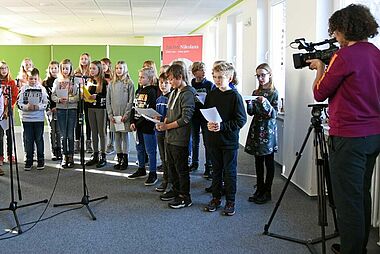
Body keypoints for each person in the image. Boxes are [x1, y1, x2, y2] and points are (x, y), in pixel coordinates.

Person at [307, 4, 380, 254]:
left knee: (347, 200)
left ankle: (352, 251)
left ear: (344, 29)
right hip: (373, 135)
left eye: (336, 32)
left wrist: (320, 67)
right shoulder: (375, 53)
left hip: (349, 137)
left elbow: (319, 92)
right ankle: (356, 246)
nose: (335, 37)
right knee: (361, 193)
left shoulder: (344, 56)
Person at [203, 62, 246, 216]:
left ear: (230, 77)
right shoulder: (212, 94)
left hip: (229, 141)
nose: (217, 80)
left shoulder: (235, 96)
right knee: (216, 171)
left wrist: (223, 126)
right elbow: (206, 113)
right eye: (215, 77)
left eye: (220, 77)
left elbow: (241, 120)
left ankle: (230, 200)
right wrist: (208, 125)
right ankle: (215, 198)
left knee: (229, 172)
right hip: (213, 140)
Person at [156, 63, 195, 209]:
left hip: (180, 138)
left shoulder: (188, 93)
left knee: (181, 169)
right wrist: (163, 124)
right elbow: (169, 113)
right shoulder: (174, 92)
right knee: (171, 166)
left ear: (180, 77)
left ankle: (185, 197)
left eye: (172, 79)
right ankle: (175, 190)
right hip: (169, 137)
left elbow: (185, 118)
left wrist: (167, 126)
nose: (169, 82)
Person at [244, 63, 278, 204]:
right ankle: (259, 188)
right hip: (257, 129)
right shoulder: (255, 92)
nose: (260, 78)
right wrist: (249, 104)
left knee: (268, 162)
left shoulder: (273, 92)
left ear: (269, 74)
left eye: (263, 75)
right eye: (258, 75)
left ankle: (267, 191)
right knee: (258, 161)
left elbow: (273, 114)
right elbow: (251, 113)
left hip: (268, 131)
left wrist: (264, 103)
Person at [128, 67, 158, 186]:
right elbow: (133, 107)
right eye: (139, 76)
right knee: (139, 148)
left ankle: (153, 173)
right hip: (137, 126)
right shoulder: (138, 91)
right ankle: (141, 169)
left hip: (147, 126)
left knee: (150, 151)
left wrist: (137, 123)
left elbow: (149, 111)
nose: (139, 79)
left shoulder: (152, 92)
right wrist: (132, 121)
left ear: (150, 79)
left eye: (142, 77)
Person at [17, 68, 48, 171]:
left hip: (38, 119)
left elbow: (46, 103)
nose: (33, 81)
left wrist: (38, 107)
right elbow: (19, 104)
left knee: (39, 139)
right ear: (27, 78)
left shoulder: (42, 89)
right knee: (28, 140)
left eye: (35, 79)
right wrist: (27, 107)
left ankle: (40, 160)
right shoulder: (23, 89)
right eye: (31, 79)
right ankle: (29, 160)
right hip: (27, 119)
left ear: (38, 78)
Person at [106, 60, 134, 170]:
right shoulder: (111, 84)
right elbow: (108, 100)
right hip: (114, 116)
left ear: (125, 69)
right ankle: (119, 157)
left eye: (121, 68)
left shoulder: (129, 83)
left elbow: (131, 100)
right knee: (116, 137)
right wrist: (110, 114)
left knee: (124, 137)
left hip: (124, 116)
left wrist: (126, 114)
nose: (118, 70)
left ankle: (125, 159)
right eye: (117, 68)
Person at [52, 59, 79, 168]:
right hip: (61, 109)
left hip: (72, 109)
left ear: (70, 68)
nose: (65, 70)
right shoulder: (57, 81)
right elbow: (53, 96)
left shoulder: (75, 80)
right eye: (63, 68)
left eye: (67, 68)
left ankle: (71, 156)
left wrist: (70, 99)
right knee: (63, 135)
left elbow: (78, 96)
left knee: (70, 135)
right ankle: (64, 156)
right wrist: (59, 100)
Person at [189, 61, 213, 178]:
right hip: (194, 115)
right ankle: (194, 163)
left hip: (205, 115)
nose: (203, 72)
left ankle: (209, 165)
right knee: (194, 141)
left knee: (207, 142)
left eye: (204, 70)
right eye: (200, 70)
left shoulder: (209, 84)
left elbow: (213, 99)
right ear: (194, 72)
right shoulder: (191, 84)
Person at [85, 60, 108, 168]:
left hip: (101, 109)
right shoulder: (89, 80)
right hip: (90, 108)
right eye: (90, 68)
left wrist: (96, 97)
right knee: (93, 131)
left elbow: (106, 97)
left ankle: (103, 155)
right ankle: (95, 154)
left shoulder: (104, 82)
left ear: (99, 69)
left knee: (101, 132)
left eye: (94, 68)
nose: (91, 70)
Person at [154, 72, 171, 192]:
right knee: (162, 156)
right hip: (158, 131)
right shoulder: (159, 98)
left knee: (168, 158)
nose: (163, 85)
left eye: (166, 83)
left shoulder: (172, 98)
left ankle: (169, 181)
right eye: (161, 83)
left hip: (168, 132)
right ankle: (165, 180)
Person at [42, 60, 62, 161]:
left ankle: (60, 150)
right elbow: (44, 97)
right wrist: (49, 108)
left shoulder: (60, 81)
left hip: (58, 108)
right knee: (52, 130)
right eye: (52, 68)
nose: (54, 70)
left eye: (56, 68)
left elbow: (61, 95)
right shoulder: (45, 83)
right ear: (49, 69)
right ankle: (54, 151)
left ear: (59, 69)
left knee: (58, 130)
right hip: (49, 109)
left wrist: (57, 106)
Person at [0, 61, 18, 167]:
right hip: (0, 112)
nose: (4, 70)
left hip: (9, 112)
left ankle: (10, 154)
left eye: (6, 68)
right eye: (2, 68)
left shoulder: (11, 82)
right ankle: (0, 156)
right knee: (0, 135)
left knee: (9, 134)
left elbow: (14, 96)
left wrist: (7, 110)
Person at [74, 53, 92, 154]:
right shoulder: (76, 72)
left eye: (86, 59)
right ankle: (77, 143)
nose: (84, 60)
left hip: (88, 99)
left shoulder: (92, 72)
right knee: (78, 121)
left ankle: (88, 143)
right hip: (79, 99)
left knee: (89, 121)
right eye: (82, 58)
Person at [101, 57, 115, 154]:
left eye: (104, 65)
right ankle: (105, 143)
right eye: (101, 65)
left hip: (111, 103)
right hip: (102, 103)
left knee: (111, 125)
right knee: (103, 125)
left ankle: (111, 144)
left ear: (108, 65)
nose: (102, 67)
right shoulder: (99, 76)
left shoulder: (113, 76)